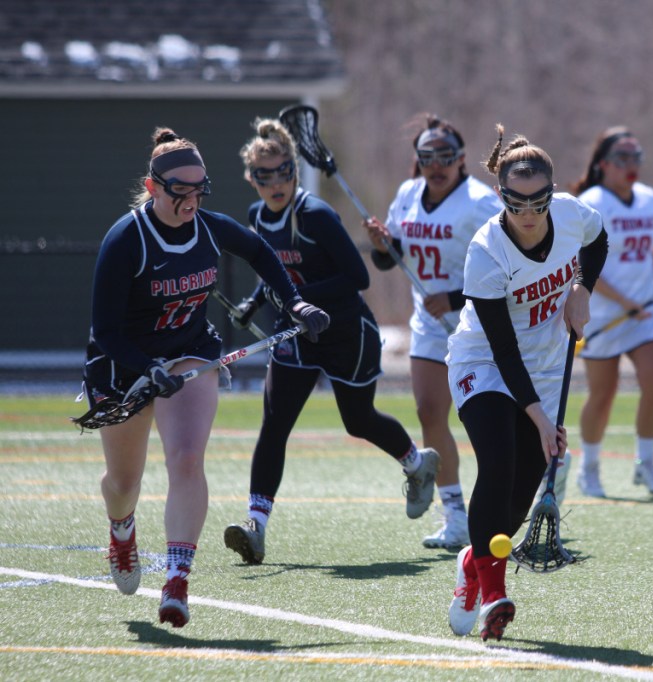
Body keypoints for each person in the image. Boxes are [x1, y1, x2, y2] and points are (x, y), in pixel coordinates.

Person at [85, 127, 330, 628]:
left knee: (187, 458)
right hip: (126, 365)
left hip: (190, 354)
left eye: (200, 190)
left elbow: (262, 254)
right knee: (122, 483)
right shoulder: (125, 240)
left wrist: (296, 302)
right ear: (153, 188)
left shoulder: (211, 227)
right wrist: (147, 368)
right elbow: (105, 330)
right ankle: (122, 530)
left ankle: (177, 581)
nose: (192, 201)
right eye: (181, 191)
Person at [223, 118, 440, 564]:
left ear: (294, 173)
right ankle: (255, 527)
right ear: (252, 179)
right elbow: (272, 272)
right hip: (298, 336)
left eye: (284, 171)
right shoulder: (256, 217)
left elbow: (357, 277)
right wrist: (255, 299)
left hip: (346, 333)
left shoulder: (315, 215)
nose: (275, 183)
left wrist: (296, 300)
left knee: (357, 422)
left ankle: (418, 464)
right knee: (274, 426)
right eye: (264, 176)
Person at [445, 125, 608, 641]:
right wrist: (539, 416)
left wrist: (583, 288)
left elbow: (598, 240)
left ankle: (473, 562)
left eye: (539, 201)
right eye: (518, 204)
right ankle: (492, 593)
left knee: (516, 503)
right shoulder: (486, 251)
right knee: (498, 463)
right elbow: (501, 348)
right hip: (484, 363)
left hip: (545, 363)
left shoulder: (571, 212)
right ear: (502, 197)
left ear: (551, 193)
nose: (531, 214)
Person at [362, 114, 502, 550]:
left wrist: (458, 297)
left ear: (461, 160)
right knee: (429, 412)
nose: (436, 165)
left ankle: (528, 482)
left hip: (481, 321)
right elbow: (391, 260)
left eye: (445, 156)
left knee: (491, 417)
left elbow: (507, 265)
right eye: (427, 157)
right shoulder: (407, 194)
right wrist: (383, 245)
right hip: (429, 324)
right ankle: (456, 516)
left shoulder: (481, 201)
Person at [570, 127, 653, 499]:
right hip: (605, 313)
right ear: (604, 164)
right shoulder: (591, 201)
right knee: (603, 394)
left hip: (647, 312)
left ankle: (646, 463)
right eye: (622, 159)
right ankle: (589, 467)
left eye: (636, 157)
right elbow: (582, 263)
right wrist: (625, 302)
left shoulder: (648, 198)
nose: (631, 166)